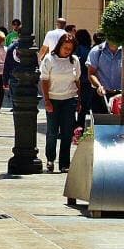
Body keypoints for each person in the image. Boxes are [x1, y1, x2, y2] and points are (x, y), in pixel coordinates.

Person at [40, 33, 81, 173]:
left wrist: (79, 100)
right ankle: (50, 159)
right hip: (53, 99)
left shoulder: (74, 60)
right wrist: (46, 100)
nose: (67, 51)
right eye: (65, 48)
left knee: (67, 133)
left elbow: (77, 80)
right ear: (59, 46)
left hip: (69, 99)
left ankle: (64, 163)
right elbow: (44, 80)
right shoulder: (49, 59)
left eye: (70, 48)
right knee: (52, 132)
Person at [87, 34, 124, 113]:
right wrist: (99, 86)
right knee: (101, 124)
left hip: (121, 96)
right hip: (102, 95)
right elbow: (91, 73)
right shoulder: (96, 51)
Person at [74, 29, 94, 127]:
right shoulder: (90, 50)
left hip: (77, 80)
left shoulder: (77, 49)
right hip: (88, 81)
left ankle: (72, 126)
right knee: (84, 106)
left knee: (74, 104)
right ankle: (80, 126)